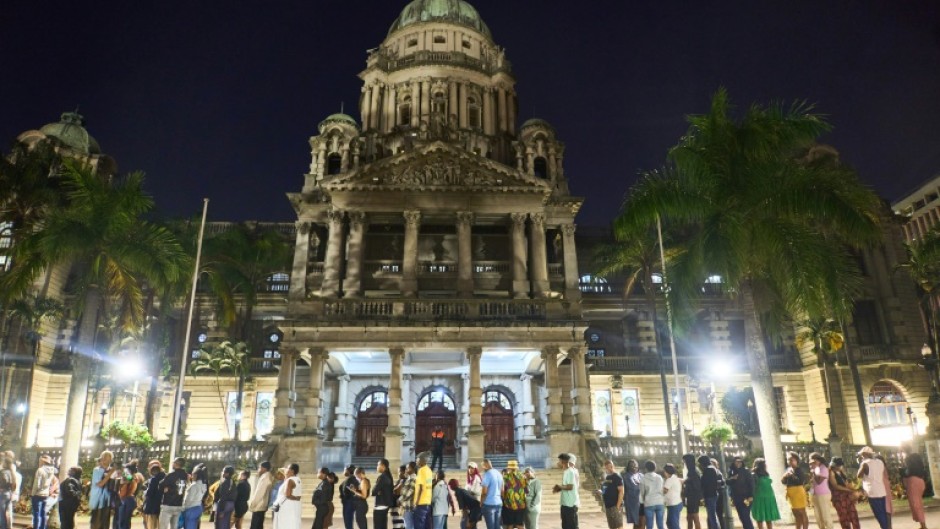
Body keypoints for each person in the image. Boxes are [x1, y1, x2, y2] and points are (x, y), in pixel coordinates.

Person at [856, 447, 889, 529]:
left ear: (865, 454)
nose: (861, 456)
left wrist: (862, 462)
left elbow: (858, 475)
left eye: (862, 455)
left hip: (873, 492)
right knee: (883, 513)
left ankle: (885, 527)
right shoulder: (880, 462)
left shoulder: (865, 464)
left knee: (879, 514)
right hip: (881, 490)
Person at [827, 458, 859, 529]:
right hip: (838, 497)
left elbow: (846, 482)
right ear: (835, 465)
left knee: (853, 514)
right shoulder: (831, 472)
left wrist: (852, 489)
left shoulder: (840, 471)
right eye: (840, 466)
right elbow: (835, 486)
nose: (841, 467)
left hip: (847, 495)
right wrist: (848, 490)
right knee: (844, 517)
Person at [160, 457, 190, 529]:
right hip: (178, 504)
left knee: (163, 527)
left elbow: (161, 485)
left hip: (168, 504)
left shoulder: (171, 475)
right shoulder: (185, 475)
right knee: (174, 527)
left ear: (176, 464)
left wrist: (165, 488)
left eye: (173, 462)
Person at [552, 453, 579, 529]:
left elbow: (570, 487)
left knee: (572, 526)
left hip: (570, 504)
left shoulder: (570, 472)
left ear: (563, 461)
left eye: (559, 461)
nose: (558, 463)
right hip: (565, 503)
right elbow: (566, 486)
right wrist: (559, 488)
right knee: (565, 525)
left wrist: (559, 487)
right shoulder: (566, 472)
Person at [750, 459, 779, 529]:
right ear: (761, 465)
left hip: (768, 499)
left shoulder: (766, 474)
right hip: (759, 499)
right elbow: (752, 487)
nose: (766, 465)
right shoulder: (754, 475)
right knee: (760, 518)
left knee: (767, 518)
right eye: (764, 464)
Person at [780, 453, 807, 529]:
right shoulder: (788, 469)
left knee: (802, 513)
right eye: (788, 459)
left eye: (792, 460)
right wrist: (785, 476)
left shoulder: (799, 470)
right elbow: (783, 482)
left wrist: (792, 475)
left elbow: (800, 481)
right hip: (791, 494)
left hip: (798, 492)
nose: (790, 461)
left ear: (796, 460)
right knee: (796, 514)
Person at [726, 457, 754, 529]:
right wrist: (732, 478)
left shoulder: (746, 471)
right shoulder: (731, 471)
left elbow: (751, 483)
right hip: (736, 497)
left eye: (740, 462)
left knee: (745, 516)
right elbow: (727, 482)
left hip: (746, 497)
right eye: (736, 462)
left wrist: (751, 495)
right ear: (734, 462)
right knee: (741, 516)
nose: (738, 463)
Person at [597, 460, 624, 529]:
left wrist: (618, 506)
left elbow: (621, 492)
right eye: (607, 467)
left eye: (610, 467)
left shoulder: (617, 477)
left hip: (615, 505)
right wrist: (601, 491)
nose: (609, 469)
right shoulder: (607, 478)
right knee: (612, 526)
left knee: (619, 525)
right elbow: (605, 490)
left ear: (613, 466)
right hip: (608, 506)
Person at [91, 452, 115, 529]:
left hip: (107, 501)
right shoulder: (97, 470)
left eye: (106, 457)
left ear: (111, 460)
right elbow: (100, 484)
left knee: (105, 523)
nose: (103, 459)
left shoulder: (112, 471)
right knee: (96, 523)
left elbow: (127, 479)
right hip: (97, 500)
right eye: (103, 457)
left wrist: (129, 476)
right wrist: (110, 473)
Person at [31, 454, 56, 529]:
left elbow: (37, 484)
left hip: (37, 494)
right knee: (43, 514)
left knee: (36, 514)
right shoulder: (52, 470)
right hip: (45, 494)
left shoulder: (40, 470)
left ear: (42, 461)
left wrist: (33, 493)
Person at [273, 464, 301, 529]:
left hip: (286, 506)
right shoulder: (297, 479)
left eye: (287, 468)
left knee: (284, 524)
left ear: (292, 471)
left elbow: (287, 494)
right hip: (293, 505)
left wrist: (296, 498)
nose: (285, 469)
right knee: (292, 523)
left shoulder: (289, 480)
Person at [118, 460, 145, 529]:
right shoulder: (135, 478)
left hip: (126, 500)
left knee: (122, 521)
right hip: (130, 500)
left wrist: (124, 473)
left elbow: (128, 478)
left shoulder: (130, 478)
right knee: (125, 521)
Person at [903, 453, 927, 529]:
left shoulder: (910, 470)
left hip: (913, 484)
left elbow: (906, 475)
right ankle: (922, 525)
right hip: (920, 482)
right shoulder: (919, 468)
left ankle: (923, 526)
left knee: (916, 505)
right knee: (918, 504)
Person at [698, 456, 723, 529]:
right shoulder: (712, 468)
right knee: (712, 515)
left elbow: (705, 483)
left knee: (712, 515)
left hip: (710, 495)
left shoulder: (708, 470)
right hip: (713, 494)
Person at [808, 453, 832, 529]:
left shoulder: (823, 468)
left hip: (823, 495)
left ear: (818, 460)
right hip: (815, 495)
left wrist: (814, 472)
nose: (812, 463)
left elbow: (819, 482)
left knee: (825, 516)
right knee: (818, 517)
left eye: (813, 461)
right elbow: (813, 482)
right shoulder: (816, 469)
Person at [248, 462, 275, 529]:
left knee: (255, 525)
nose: (258, 470)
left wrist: (253, 503)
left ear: (264, 469)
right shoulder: (268, 476)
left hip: (259, 505)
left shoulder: (265, 478)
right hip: (262, 505)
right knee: (259, 525)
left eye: (259, 468)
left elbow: (260, 493)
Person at [502, 461, 527, 529]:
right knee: (520, 525)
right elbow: (527, 490)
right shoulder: (523, 476)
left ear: (509, 468)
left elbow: (503, 490)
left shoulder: (505, 477)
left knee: (510, 525)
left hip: (509, 504)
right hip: (521, 504)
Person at [182, 465, 209, 529]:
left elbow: (188, 499)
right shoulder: (203, 485)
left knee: (188, 526)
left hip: (191, 508)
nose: (191, 476)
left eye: (193, 474)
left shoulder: (194, 486)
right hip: (198, 507)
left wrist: (183, 508)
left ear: (196, 475)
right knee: (194, 526)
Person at [640, 461, 664, 529]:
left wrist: (642, 502)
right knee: (660, 524)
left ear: (646, 468)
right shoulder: (659, 477)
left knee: (649, 524)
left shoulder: (643, 479)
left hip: (649, 502)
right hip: (659, 502)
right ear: (655, 468)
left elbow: (642, 492)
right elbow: (661, 489)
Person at [480, 459, 503, 529]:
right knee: (497, 526)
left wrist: (481, 502)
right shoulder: (498, 473)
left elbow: (484, 492)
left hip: (489, 504)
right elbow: (502, 490)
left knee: (491, 527)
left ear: (485, 466)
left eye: (482, 466)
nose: (482, 468)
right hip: (498, 502)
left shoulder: (487, 474)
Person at [143, 461, 166, 529]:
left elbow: (149, 493)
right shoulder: (165, 477)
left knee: (151, 523)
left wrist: (145, 492)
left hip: (152, 505)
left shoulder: (153, 479)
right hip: (162, 503)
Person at [413, 454, 434, 529]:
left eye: (417, 459)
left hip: (421, 502)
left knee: (419, 525)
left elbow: (421, 488)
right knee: (426, 525)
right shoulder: (429, 470)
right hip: (427, 502)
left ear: (422, 460)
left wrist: (416, 502)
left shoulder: (421, 470)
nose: (416, 461)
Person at [681, 455, 702, 529]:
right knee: (689, 517)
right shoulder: (692, 471)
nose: (684, 463)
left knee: (694, 516)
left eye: (685, 461)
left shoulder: (693, 471)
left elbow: (696, 486)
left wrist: (685, 481)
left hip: (693, 497)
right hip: (691, 497)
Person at [373, 460, 395, 529]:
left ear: (383, 466)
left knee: (378, 526)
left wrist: (378, 491)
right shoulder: (388, 476)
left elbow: (374, 491)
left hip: (380, 504)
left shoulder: (382, 477)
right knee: (383, 525)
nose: (377, 467)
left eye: (378, 465)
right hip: (385, 504)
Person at [622, 460, 642, 529]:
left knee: (641, 521)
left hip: (642, 501)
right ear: (629, 467)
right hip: (632, 501)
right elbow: (632, 487)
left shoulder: (641, 475)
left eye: (635, 466)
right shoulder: (626, 476)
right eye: (632, 466)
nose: (634, 467)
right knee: (636, 520)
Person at [662, 464, 683, 529]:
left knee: (673, 524)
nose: (663, 473)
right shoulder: (675, 477)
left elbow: (664, 491)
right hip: (676, 503)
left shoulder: (670, 479)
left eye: (664, 471)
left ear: (666, 471)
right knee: (670, 523)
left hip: (674, 504)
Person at [341, 465, 360, 529]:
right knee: (348, 521)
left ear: (348, 470)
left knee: (348, 521)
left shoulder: (350, 479)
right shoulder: (352, 479)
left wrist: (343, 496)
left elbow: (346, 491)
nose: (343, 471)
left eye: (344, 469)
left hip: (348, 502)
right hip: (350, 502)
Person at [398, 463, 416, 529]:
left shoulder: (413, 479)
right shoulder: (409, 478)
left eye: (408, 468)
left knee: (409, 526)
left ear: (412, 469)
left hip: (409, 506)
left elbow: (409, 492)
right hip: (407, 506)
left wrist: (400, 499)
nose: (406, 470)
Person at [0, 454, 16, 529]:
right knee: (8, 513)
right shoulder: (12, 472)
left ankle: (3, 527)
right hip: (9, 492)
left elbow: (4, 480)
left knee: (2, 514)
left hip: (2, 493)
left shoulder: (3, 472)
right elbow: (14, 484)